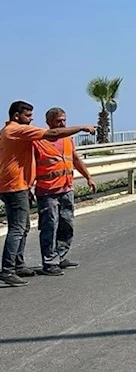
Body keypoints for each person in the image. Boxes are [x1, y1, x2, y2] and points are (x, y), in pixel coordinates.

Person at [0, 101, 94, 286]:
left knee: (29, 227)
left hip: (37, 186)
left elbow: (73, 158)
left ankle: (21, 265)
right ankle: (9, 270)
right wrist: (82, 127)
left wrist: (88, 176)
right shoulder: (19, 132)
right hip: (26, 187)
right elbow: (51, 135)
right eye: (28, 115)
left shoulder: (18, 133)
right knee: (22, 228)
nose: (31, 119)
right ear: (17, 116)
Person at [33, 107, 97, 276]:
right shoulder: (39, 140)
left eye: (63, 120)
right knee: (49, 226)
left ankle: (61, 256)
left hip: (66, 188)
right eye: (58, 121)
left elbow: (75, 159)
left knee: (66, 224)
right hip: (47, 191)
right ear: (49, 123)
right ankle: (49, 262)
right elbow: (30, 165)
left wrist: (88, 177)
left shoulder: (67, 139)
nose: (62, 124)